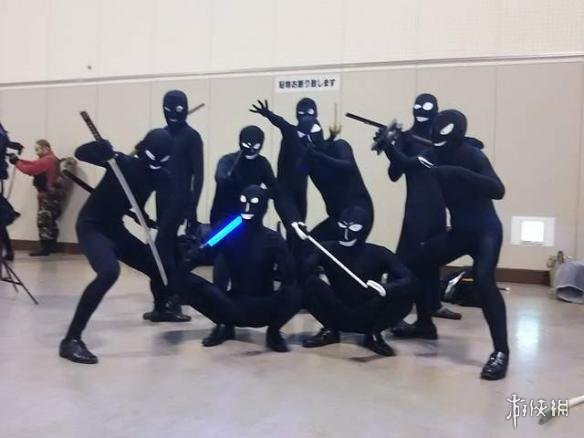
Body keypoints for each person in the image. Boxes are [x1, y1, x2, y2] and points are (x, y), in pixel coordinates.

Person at [386, 109, 509, 380]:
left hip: (486, 230)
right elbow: (405, 165)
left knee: (484, 279)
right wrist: (388, 145)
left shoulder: (472, 156)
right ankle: (424, 324)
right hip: (461, 232)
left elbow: (498, 190)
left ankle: (501, 352)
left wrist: (459, 173)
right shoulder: (432, 155)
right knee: (419, 262)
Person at [59, 129, 188, 365]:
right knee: (109, 272)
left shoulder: (161, 176)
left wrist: (146, 217)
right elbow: (80, 153)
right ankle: (71, 339)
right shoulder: (121, 162)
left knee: (158, 265)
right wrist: (100, 149)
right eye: (153, 156)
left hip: (115, 228)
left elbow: (144, 194)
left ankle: (160, 309)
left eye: (162, 159)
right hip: (92, 226)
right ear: (143, 148)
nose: (155, 164)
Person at [178, 185, 302, 353]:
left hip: (266, 307)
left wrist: (293, 248)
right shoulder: (229, 233)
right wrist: (185, 262)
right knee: (182, 277)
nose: (247, 208)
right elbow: (202, 253)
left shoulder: (273, 239)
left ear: (264, 207)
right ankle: (223, 324)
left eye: (254, 203)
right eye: (243, 202)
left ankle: (273, 332)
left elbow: (289, 277)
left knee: (302, 287)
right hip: (233, 306)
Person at [381, 94, 461, 320]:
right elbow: (394, 174)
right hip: (416, 206)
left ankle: (433, 304)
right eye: (417, 106)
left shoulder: (441, 140)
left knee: (433, 256)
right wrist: (393, 147)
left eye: (426, 107)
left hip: (439, 207)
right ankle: (391, 299)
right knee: (407, 256)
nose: (421, 111)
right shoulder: (407, 138)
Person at [298, 206, 415, 356]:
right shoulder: (326, 248)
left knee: (405, 295)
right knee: (309, 284)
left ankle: (374, 333)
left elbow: (408, 278)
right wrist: (304, 244)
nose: (346, 231)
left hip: (369, 312)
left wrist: (386, 288)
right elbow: (303, 271)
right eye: (342, 225)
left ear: (364, 228)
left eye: (353, 227)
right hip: (337, 310)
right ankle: (330, 330)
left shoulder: (379, 252)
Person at [153, 90, 204, 296]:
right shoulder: (161, 135)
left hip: (181, 199)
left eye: (179, 108)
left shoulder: (192, 136)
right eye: (168, 109)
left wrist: (193, 205)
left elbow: (198, 175)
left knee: (162, 244)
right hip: (162, 197)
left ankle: (168, 294)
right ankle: (177, 290)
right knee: (171, 244)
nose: (173, 113)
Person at [292, 116, 374, 243]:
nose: (309, 139)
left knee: (345, 247)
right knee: (309, 246)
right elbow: (298, 174)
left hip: (358, 211)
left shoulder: (339, 146)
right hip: (336, 216)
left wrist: (321, 157)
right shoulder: (309, 160)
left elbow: (349, 165)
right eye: (303, 136)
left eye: (312, 133)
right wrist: (306, 158)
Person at [10, 139, 61, 256]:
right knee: (50, 221)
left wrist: (17, 163)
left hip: (46, 195)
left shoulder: (47, 160)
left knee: (43, 221)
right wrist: (18, 161)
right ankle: (51, 246)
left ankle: (45, 249)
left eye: (38, 149)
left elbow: (31, 169)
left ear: (46, 148)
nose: (37, 152)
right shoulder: (52, 159)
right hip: (52, 195)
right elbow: (33, 164)